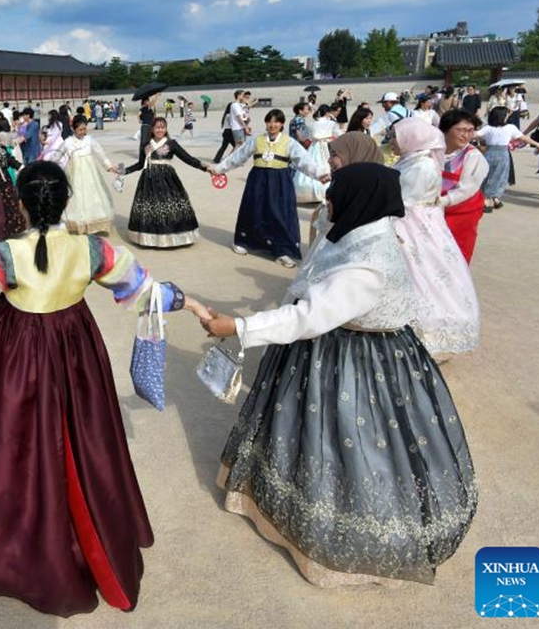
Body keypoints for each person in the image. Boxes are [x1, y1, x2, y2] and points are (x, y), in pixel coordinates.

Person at [0, 161, 210, 617]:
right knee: (84, 441)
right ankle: (92, 534)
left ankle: (20, 548)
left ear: (20, 204)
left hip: (19, 359)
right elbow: (144, 288)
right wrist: (192, 303)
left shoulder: (2, 256)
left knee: (16, 448)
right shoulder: (91, 249)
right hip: (77, 353)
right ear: (67, 200)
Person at [201, 163, 477, 588]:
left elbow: (308, 318)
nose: (327, 200)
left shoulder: (366, 264)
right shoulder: (363, 228)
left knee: (346, 440)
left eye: (335, 193)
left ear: (358, 199)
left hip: (354, 359)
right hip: (356, 349)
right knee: (318, 433)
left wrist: (238, 328)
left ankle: (341, 534)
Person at [390, 118, 481, 355]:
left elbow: (405, 201)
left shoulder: (421, 166)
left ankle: (425, 336)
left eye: (395, 137)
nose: (392, 141)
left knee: (421, 275)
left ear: (413, 138)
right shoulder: (412, 160)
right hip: (412, 220)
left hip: (411, 224)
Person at [210, 109, 330, 268]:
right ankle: (244, 241)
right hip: (258, 180)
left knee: (280, 213)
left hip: (280, 182)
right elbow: (238, 157)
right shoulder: (257, 141)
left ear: (281, 124)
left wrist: (320, 174)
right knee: (253, 210)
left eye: (277, 121)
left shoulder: (289, 142)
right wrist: (219, 169)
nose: (272, 125)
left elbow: (304, 161)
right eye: (269, 121)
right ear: (266, 123)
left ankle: (283, 251)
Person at [123, 116, 207, 247]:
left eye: (162, 127)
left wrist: (205, 167)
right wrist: (124, 171)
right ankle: (149, 238)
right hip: (148, 180)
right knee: (150, 208)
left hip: (167, 179)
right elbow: (140, 164)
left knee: (169, 206)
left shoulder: (171, 143)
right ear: (152, 129)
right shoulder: (146, 145)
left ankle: (174, 237)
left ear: (166, 128)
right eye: (157, 127)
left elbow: (188, 158)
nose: (160, 129)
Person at [437, 110, 488, 263]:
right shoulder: (433, 150)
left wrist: (442, 201)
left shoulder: (473, 156)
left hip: (461, 211)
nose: (466, 135)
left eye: (470, 131)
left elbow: (467, 188)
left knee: (456, 250)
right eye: (461, 130)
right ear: (445, 129)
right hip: (433, 207)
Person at [58, 115, 119, 235]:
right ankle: (76, 223)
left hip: (90, 175)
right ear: (73, 129)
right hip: (74, 174)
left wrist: (109, 166)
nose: (83, 132)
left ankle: (93, 222)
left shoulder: (90, 140)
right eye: (80, 130)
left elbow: (100, 154)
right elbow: (56, 156)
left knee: (93, 196)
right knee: (75, 197)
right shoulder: (68, 142)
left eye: (85, 129)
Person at [478, 106, 539, 211]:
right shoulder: (510, 127)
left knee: (487, 176)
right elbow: (523, 137)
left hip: (488, 154)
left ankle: (492, 199)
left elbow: (475, 135)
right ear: (502, 117)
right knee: (500, 177)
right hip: (503, 154)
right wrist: (537, 144)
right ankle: (490, 199)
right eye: (506, 114)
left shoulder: (487, 128)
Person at [296, 105, 337, 204]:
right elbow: (337, 133)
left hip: (314, 146)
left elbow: (305, 137)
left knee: (312, 164)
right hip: (327, 145)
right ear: (327, 113)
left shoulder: (311, 124)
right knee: (328, 164)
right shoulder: (331, 123)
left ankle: (306, 193)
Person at [214, 90, 251, 163]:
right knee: (237, 146)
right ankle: (228, 159)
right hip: (229, 131)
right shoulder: (232, 110)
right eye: (243, 95)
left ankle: (219, 159)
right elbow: (238, 118)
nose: (244, 97)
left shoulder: (233, 110)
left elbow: (245, 111)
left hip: (230, 131)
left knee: (229, 146)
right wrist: (245, 126)